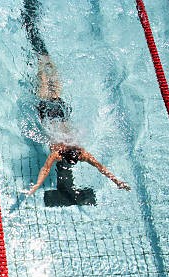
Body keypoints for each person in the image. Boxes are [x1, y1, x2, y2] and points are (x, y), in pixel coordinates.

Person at [26, 54, 130, 195]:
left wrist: (117, 181)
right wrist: (37, 185)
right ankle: (43, 61)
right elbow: (46, 169)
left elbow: (101, 167)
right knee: (45, 86)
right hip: (51, 114)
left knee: (51, 88)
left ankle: (44, 60)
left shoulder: (76, 153)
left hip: (59, 113)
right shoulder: (60, 153)